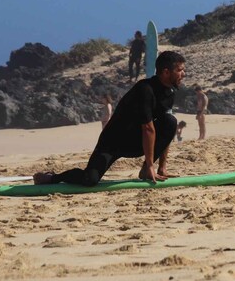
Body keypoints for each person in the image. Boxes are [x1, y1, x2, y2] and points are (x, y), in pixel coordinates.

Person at [34, 50, 186, 186]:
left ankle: (146, 170)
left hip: (136, 142)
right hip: (113, 141)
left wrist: (161, 167)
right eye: (180, 70)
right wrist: (152, 165)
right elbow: (148, 128)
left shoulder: (169, 94)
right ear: (166, 72)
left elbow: (165, 131)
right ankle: (52, 178)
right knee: (90, 179)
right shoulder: (145, 89)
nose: (183, 74)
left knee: (170, 121)